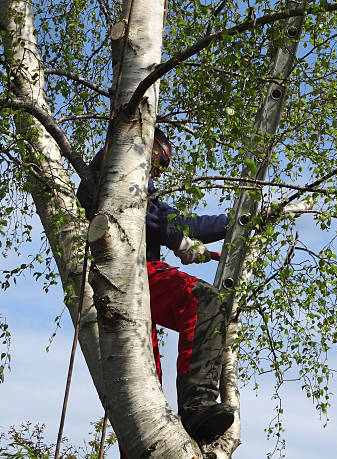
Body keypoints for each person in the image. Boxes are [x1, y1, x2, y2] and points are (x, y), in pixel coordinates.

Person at [76, 127, 234, 445]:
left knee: (145, 381)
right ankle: (197, 406)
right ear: (151, 146)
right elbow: (164, 222)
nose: (160, 173)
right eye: (162, 162)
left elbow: (159, 223)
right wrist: (229, 222)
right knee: (203, 301)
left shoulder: (113, 170)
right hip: (131, 271)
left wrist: (183, 241)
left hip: (117, 276)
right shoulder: (124, 165)